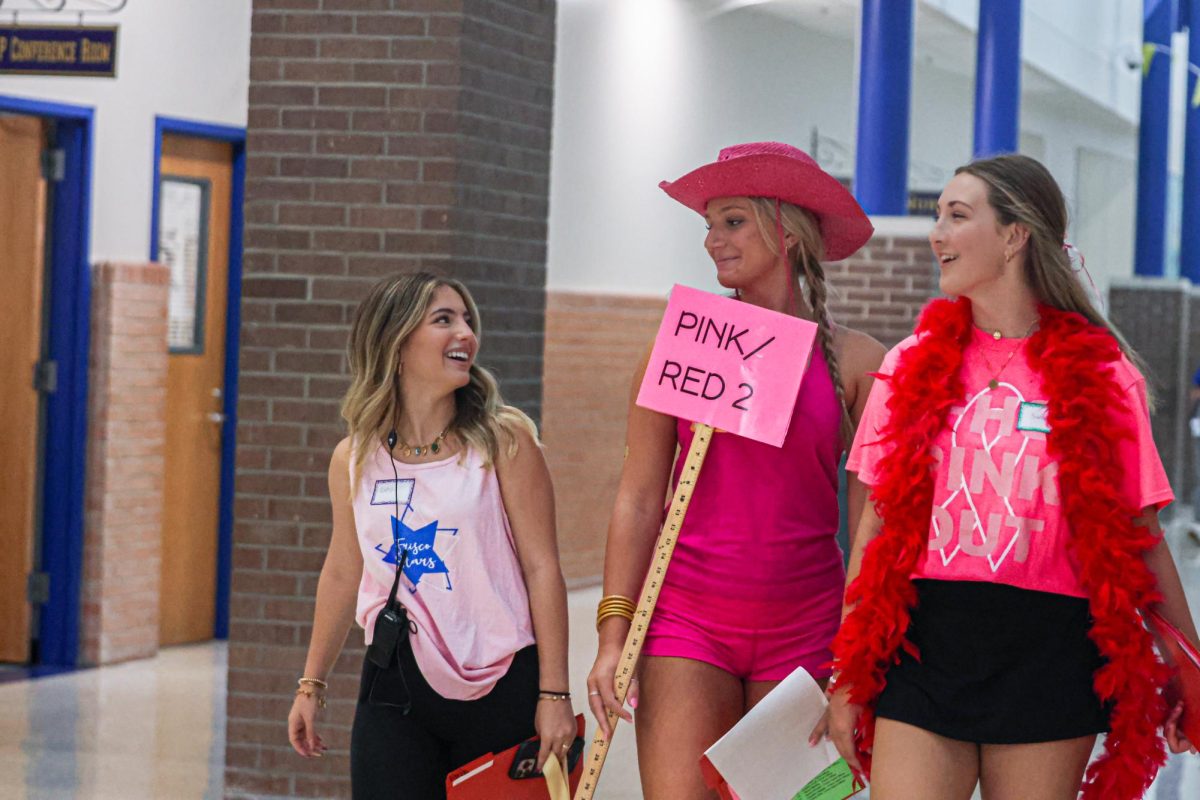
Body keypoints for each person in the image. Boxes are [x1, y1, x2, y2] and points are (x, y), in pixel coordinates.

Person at [819, 154, 1200, 800]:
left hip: (1048, 655)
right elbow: (874, 528)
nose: (936, 233)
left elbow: (1142, 534)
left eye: (957, 216)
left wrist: (1189, 666)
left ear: (1015, 235)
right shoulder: (909, 366)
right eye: (937, 216)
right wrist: (848, 671)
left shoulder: (1104, 375)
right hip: (923, 645)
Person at [585, 141, 885, 799]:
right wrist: (613, 638)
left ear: (787, 229)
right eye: (709, 225)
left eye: (732, 221)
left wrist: (860, 660)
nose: (712, 241)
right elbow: (638, 500)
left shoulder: (860, 363)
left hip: (810, 627)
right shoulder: (681, 344)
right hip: (687, 622)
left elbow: (873, 530)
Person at [286, 272, 576, 799]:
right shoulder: (353, 458)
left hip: (502, 682)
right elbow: (343, 569)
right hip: (394, 684)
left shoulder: (504, 441)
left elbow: (542, 568)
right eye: (444, 320)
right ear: (395, 343)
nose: (465, 332)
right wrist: (312, 683)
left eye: (467, 319)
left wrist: (554, 692)